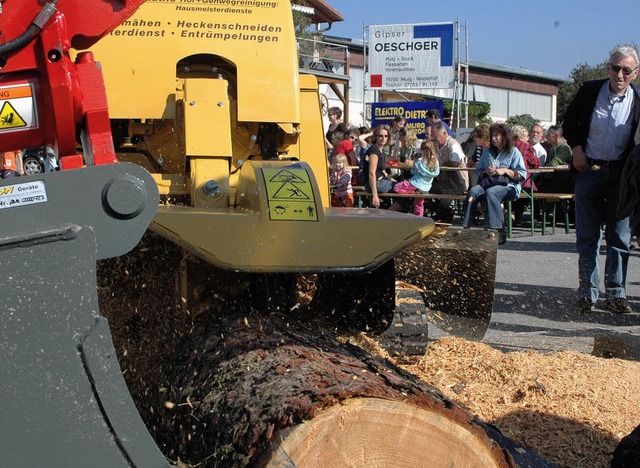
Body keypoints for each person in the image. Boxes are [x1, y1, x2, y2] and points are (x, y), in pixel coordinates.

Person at [562, 45, 640, 315]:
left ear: (635, 73)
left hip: (621, 175)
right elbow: (569, 122)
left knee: (619, 236)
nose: (619, 74)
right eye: (615, 67)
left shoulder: (638, 100)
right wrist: (576, 149)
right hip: (589, 170)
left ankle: (616, 294)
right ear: (608, 67)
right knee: (587, 236)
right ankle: (587, 293)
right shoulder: (589, 91)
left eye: (626, 70)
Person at [461, 123, 527, 244]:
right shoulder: (488, 152)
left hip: (509, 186)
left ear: (504, 137)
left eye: (497, 136)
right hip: (488, 183)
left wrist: (505, 171)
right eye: (492, 136)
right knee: (473, 192)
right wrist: (485, 171)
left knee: (492, 193)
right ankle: (466, 227)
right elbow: (478, 170)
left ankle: (498, 229)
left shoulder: (513, 152)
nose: (493, 139)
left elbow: (522, 175)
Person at [425, 122, 467, 222]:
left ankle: (446, 213)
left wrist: (440, 165)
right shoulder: (435, 145)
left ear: (444, 133)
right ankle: (441, 212)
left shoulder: (453, 145)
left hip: (456, 183)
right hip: (441, 180)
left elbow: (455, 163)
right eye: (432, 135)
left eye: (435, 135)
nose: (433, 138)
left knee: (440, 190)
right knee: (422, 191)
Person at [391, 141, 440, 217]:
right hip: (426, 187)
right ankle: (419, 218)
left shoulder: (420, 161)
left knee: (396, 187)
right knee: (419, 204)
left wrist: (415, 162)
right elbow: (436, 173)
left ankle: (412, 192)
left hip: (416, 183)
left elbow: (413, 172)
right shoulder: (435, 161)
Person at [511, 124, 540, 225]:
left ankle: (513, 214)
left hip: (508, 179)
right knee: (533, 192)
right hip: (522, 180)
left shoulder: (507, 146)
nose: (527, 138)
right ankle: (536, 219)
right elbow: (535, 163)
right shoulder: (526, 147)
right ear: (522, 136)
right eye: (526, 136)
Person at [363, 125, 395, 208]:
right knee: (403, 189)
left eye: (386, 136)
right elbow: (371, 173)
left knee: (402, 186)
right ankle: (392, 212)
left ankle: (390, 211)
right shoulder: (374, 150)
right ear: (376, 137)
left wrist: (392, 180)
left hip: (380, 181)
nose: (383, 138)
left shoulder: (380, 150)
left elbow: (383, 171)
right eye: (380, 136)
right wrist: (375, 195)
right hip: (375, 184)